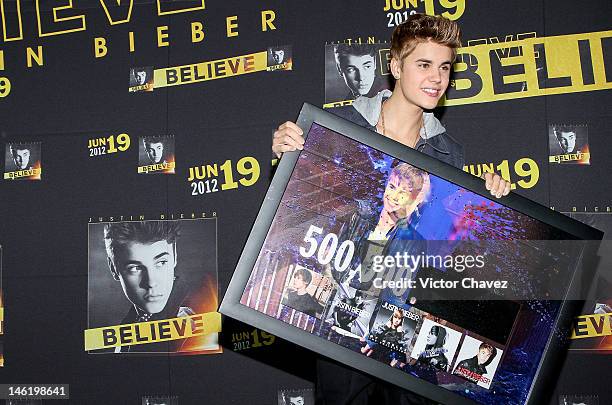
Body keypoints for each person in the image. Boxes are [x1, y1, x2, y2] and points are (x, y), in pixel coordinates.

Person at [272, 13, 510, 405]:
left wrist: (488, 200)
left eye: (444, 67)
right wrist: (288, 156)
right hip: (340, 310)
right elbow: (304, 209)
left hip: (402, 320)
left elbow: (444, 245)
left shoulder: (450, 153)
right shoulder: (336, 128)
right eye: (424, 64)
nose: (436, 78)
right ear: (396, 66)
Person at [103, 221, 194, 352]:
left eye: (161, 262)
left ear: (174, 255)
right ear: (113, 268)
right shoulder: (129, 324)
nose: (151, 283)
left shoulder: (201, 313)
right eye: (135, 268)